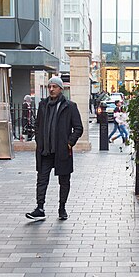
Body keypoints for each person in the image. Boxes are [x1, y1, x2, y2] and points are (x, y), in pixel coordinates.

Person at [26, 77, 83, 221]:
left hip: (62, 151)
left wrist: (69, 143)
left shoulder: (70, 106)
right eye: (49, 86)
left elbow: (78, 128)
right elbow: (38, 126)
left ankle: (62, 208)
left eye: (54, 86)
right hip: (45, 151)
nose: (51, 89)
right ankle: (40, 208)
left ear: (60, 89)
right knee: (42, 180)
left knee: (64, 181)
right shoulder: (43, 105)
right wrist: (39, 141)